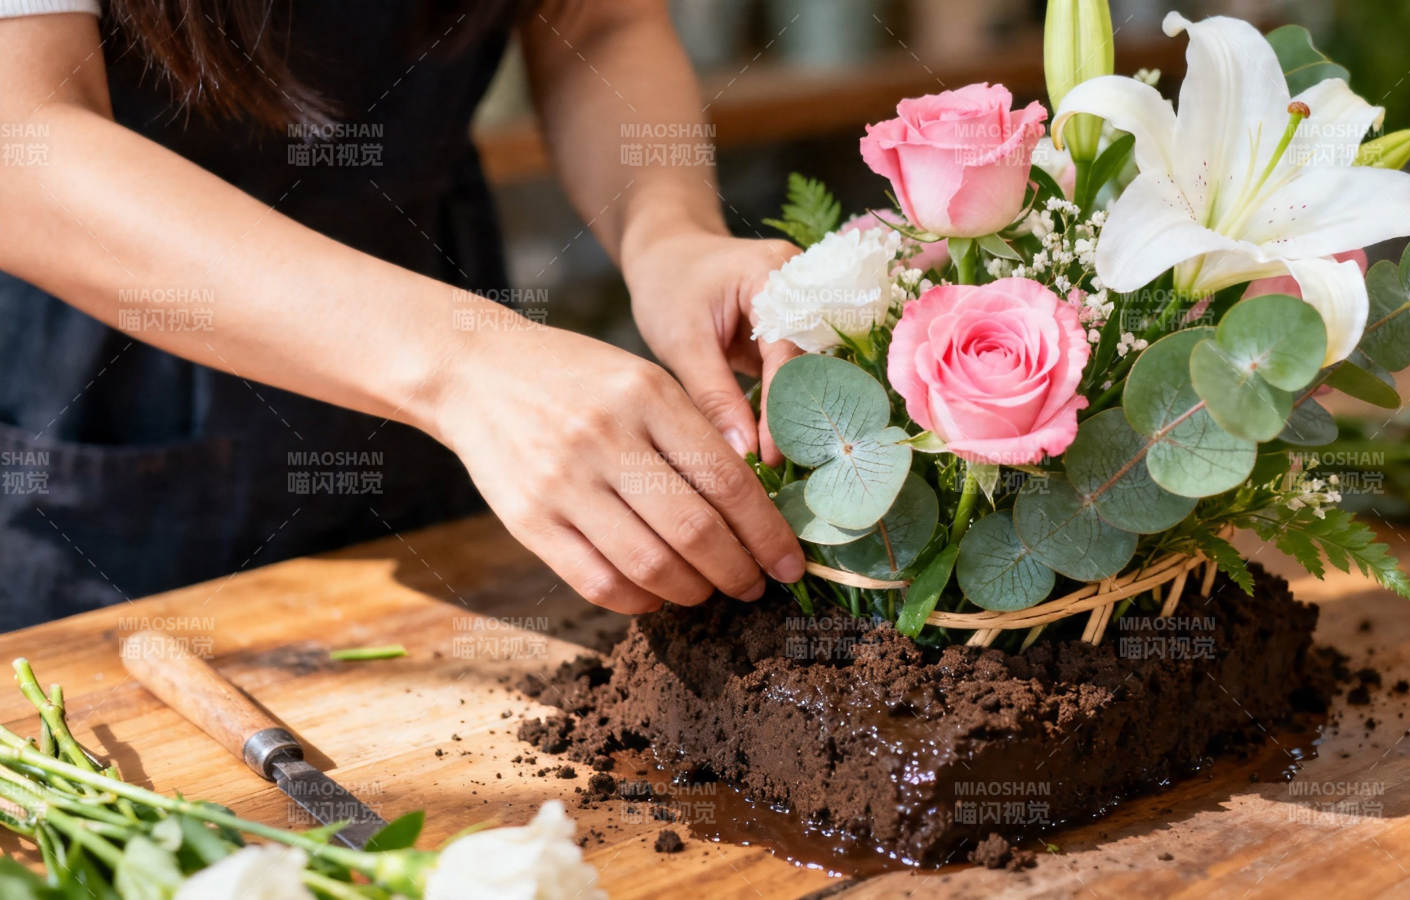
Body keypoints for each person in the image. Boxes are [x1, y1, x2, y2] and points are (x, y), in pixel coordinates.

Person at [0, 0, 807, 630]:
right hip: (110, 384)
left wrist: (668, 232)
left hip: (427, 339)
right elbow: (22, 142)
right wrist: (467, 365)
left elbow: (601, 20)